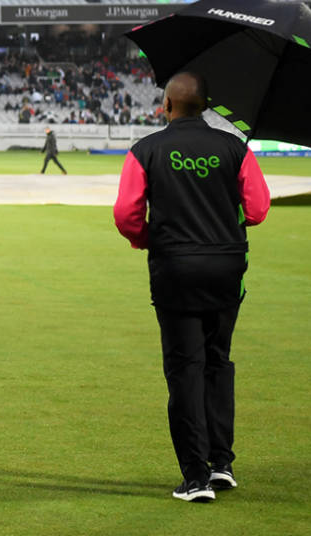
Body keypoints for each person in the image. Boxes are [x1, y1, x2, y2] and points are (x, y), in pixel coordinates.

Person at [112, 72, 270, 503]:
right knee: (218, 363)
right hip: (226, 268)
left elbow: (126, 214)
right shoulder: (234, 147)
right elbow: (257, 210)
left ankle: (195, 478)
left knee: (185, 370)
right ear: (206, 106)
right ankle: (222, 465)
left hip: (176, 269)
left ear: (166, 105)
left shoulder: (145, 149)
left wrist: (149, 238)